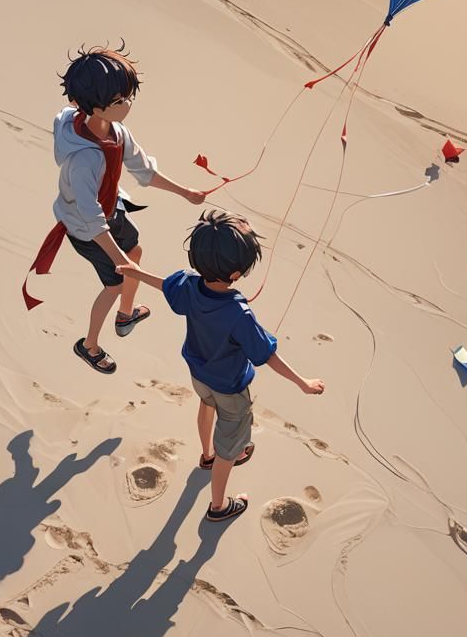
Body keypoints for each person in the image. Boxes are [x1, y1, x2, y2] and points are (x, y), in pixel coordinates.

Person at [117, 210, 325, 522]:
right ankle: (218, 505)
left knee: (205, 405)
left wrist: (136, 272)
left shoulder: (189, 284)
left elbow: (165, 286)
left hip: (198, 373)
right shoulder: (238, 313)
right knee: (231, 445)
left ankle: (206, 455)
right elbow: (266, 355)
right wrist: (302, 382)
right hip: (230, 387)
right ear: (238, 273)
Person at [22, 44, 205, 374]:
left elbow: (144, 171)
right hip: (85, 229)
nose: (127, 105)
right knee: (115, 282)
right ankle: (89, 345)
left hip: (112, 211)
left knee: (135, 250)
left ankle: (126, 314)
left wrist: (184, 191)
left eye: (127, 97)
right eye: (118, 101)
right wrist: (117, 260)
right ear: (89, 105)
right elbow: (89, 215)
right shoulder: (83, 159)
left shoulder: (118, 132)